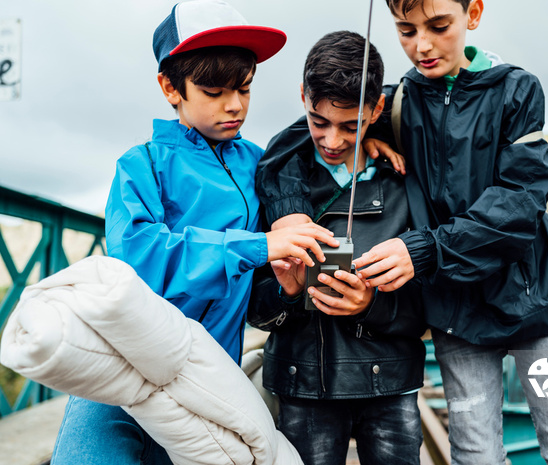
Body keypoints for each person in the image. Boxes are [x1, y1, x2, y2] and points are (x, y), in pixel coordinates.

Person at [261, 1, 548, 464]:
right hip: (455, 309)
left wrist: (422, 249)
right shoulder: (397, 99)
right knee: (475, 455)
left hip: (537, 299)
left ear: (473, 13)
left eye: (438, 26)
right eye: (406, 30)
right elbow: (297, 139)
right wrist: (291, 214)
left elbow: (520, 204)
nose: (421, 45)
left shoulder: (518, 90)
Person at [50, 1, 338, 464]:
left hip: (207, 382)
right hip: (121, 367)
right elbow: (138, 262)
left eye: (245, 88)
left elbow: (333, 133)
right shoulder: (140, 164)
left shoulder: (262, 165)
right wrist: (257, 245)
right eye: (213, 90)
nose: (235, 105)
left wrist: (284, 291)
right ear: (170, 87)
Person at [249, 31, 427, 465]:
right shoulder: (274, 184)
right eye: (318, 121)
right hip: (301, 388)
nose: (332, 140)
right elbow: (253, 306)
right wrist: (286, 292)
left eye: (352, 125)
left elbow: (433, 300)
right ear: (303, 98)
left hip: (392, 387)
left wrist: (371, 304)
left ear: (378, 110)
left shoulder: (406, 179)